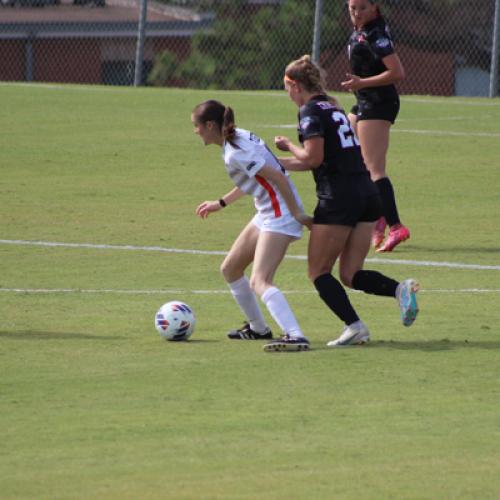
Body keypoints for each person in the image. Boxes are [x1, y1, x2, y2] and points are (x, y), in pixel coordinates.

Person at [267, 55, 418, 350]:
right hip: (366, 194)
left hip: (340, 199)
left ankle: (355, 326)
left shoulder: (310, 111)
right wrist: (281, 162)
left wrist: (281, 156)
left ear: (295, 85)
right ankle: (400, 290)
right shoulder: (332, 106)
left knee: (318, 272)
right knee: (350, 274)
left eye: (286, 87)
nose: (286, 93)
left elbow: (313, 159)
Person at [192, 99, 312, 351]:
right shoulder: (236, 138)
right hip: (268, 211)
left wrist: (297, 214)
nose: (196, 131)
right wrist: (221, 203)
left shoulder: (236, 151)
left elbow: (278, 176)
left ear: (210, 125)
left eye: (197, 126)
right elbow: (255, 178)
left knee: (260, 280)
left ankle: (295, 335)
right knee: (230, 268)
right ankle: (258, 329)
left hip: (280, 214)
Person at [342, 0, 409, 252]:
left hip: (379, 102)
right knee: (354, 157)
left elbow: (397, 72)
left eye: (362, 8)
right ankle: (378, 215)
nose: (356, 13)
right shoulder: (359, 31)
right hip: (363, 102)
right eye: (352, 8)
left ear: (375, 7)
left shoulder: (376, 33)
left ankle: (396, 226)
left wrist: (363, 82)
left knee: (374, 169)